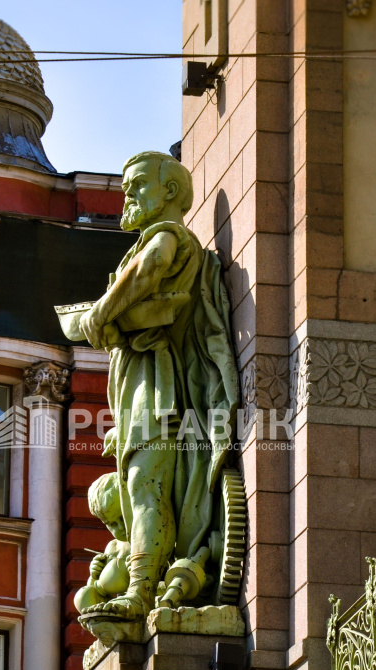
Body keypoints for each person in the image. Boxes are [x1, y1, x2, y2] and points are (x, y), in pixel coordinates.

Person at [76, 151, 239, 621]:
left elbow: (148, 269)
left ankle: (141, 591)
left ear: (169, 192)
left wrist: (101, 312)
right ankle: (149, 578)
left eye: (138, 184)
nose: (127, 194)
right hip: (142, 391)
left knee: (142, 487)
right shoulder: (155, 242)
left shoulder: (167, 238)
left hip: (158, 390)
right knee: (135, 490)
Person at [73, 473, 130, 613]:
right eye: (112, 524)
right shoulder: (113, 548)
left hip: (143, 601)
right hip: (121, 608)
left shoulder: (151, 538)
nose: (121, 528)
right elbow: (101, 593)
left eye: (123, 518)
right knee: (83, 597)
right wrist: (95, 575)